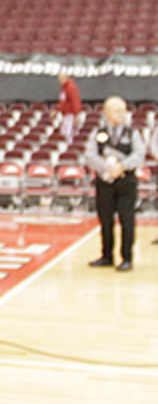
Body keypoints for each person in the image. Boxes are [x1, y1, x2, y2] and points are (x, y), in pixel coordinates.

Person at [84, 95, 143, 272]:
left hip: (126, 182)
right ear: (108, 113)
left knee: (127, 220)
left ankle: (126, 258)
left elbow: (139, 155)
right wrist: (106, 168)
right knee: (106, 220)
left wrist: (121, 166)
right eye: (118, 111)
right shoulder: (98, 133)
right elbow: (89, 156)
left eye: (124, 110)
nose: (122, 114)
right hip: (105, 182)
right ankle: (106, 256)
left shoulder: (132, 133)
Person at [57, 71, 82, 144]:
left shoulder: (71, 87)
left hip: (70, 115)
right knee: (64, 133)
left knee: (68, 134)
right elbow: (63, 102)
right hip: (65, 115)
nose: (60, 80)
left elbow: (75, 101)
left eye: (61, 78)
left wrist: (76, 114)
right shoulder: (64, 88)